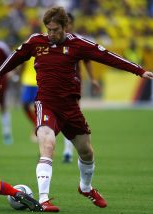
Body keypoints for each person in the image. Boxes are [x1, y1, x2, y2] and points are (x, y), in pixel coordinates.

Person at [0, 7, 153, 212]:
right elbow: (14, 57)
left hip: (70, 107)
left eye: (55, 29)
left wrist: (139, 71)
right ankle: (43, 200)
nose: (51, 34)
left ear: (65, 26)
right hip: (46, 103)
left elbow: (107, 56)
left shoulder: (78, 44)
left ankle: (86, 187)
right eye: (49, 29)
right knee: (47, 145)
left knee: (86, 152)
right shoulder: (36, 42)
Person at [62, 12, 101, 163]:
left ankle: (67, 151)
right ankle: (48, 147)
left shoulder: (78, 42)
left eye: (69, 23)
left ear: (72, 24)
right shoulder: (53, 40)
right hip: (56, 85)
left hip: (74, 83)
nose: (67, 26)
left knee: (71, 115)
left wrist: (93, 79)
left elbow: (87, 61)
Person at [19, 56, 38, 142]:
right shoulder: (27, 47)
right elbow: (22, 63)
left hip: (39, 81)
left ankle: (38, 129)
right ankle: (36, 124)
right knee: (25, 105)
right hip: (27, 81)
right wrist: (19, 75)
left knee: (38, 107)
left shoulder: (45, 47)